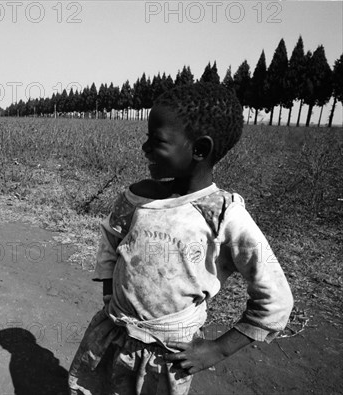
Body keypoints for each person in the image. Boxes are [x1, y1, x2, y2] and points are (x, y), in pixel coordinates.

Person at [68, 83, 294, 395]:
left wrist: (218, 349)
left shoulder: (223, 215)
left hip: (167, 356)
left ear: (199, 149)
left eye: (156, 141)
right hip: (112, 336)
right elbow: (110, 240)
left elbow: (276, 300)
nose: (145, 148)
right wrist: (110, 296)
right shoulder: (137, 198)